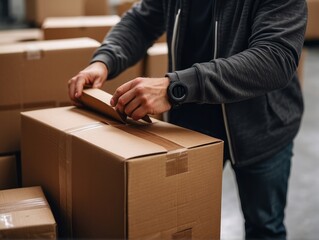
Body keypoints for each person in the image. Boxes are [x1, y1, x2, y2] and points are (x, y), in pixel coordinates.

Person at [68, 0, 307, 239]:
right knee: (184, 224)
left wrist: (176, 87)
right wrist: (105, 60)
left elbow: (275, 57)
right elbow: (141, 21)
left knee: (264, 226)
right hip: (189, 127)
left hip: (260, 128)